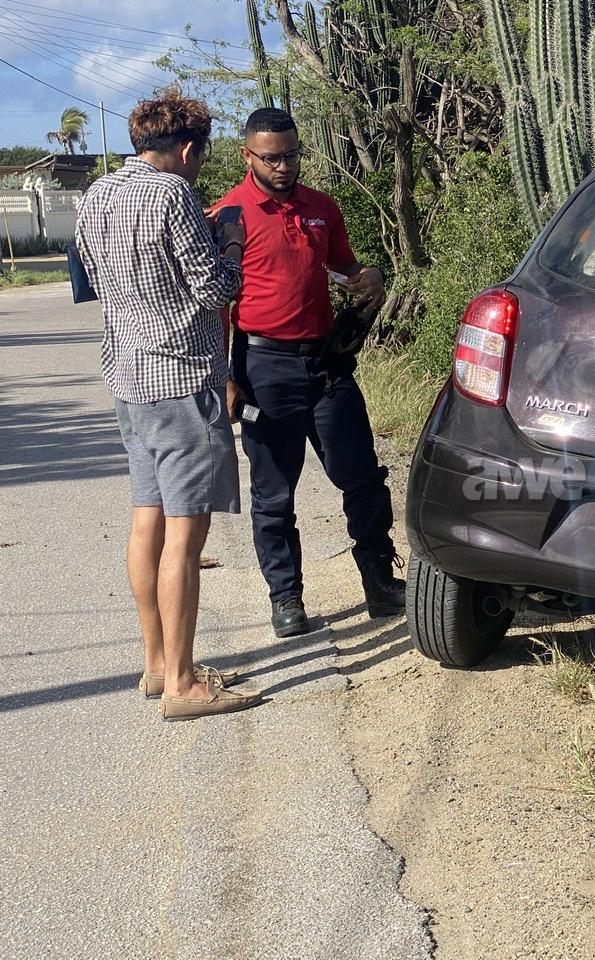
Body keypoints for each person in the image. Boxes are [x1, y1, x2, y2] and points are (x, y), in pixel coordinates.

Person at [75, 90, 261, 719]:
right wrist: (230, 241)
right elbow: (214, 289)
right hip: (182, 377)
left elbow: (94, 275)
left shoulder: (98, 193)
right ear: (186, 149)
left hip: (129, 376)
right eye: (199, 154)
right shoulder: (174, 193)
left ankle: (157, 663)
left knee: (147, 519)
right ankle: (184, 684)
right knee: (186, 532)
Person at [215, 107, 403, 638]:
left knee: (362, 477)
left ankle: (380, 583)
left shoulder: (321, 206)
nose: (283, 166)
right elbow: (217, 306)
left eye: (292, 155)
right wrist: (225, 377)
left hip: (326, 365)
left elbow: (344, 267)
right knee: (274, 493)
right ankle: (286, 598)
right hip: (262, 367)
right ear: (247, 155)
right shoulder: (227, 215)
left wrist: (369, 275)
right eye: (271, 158)